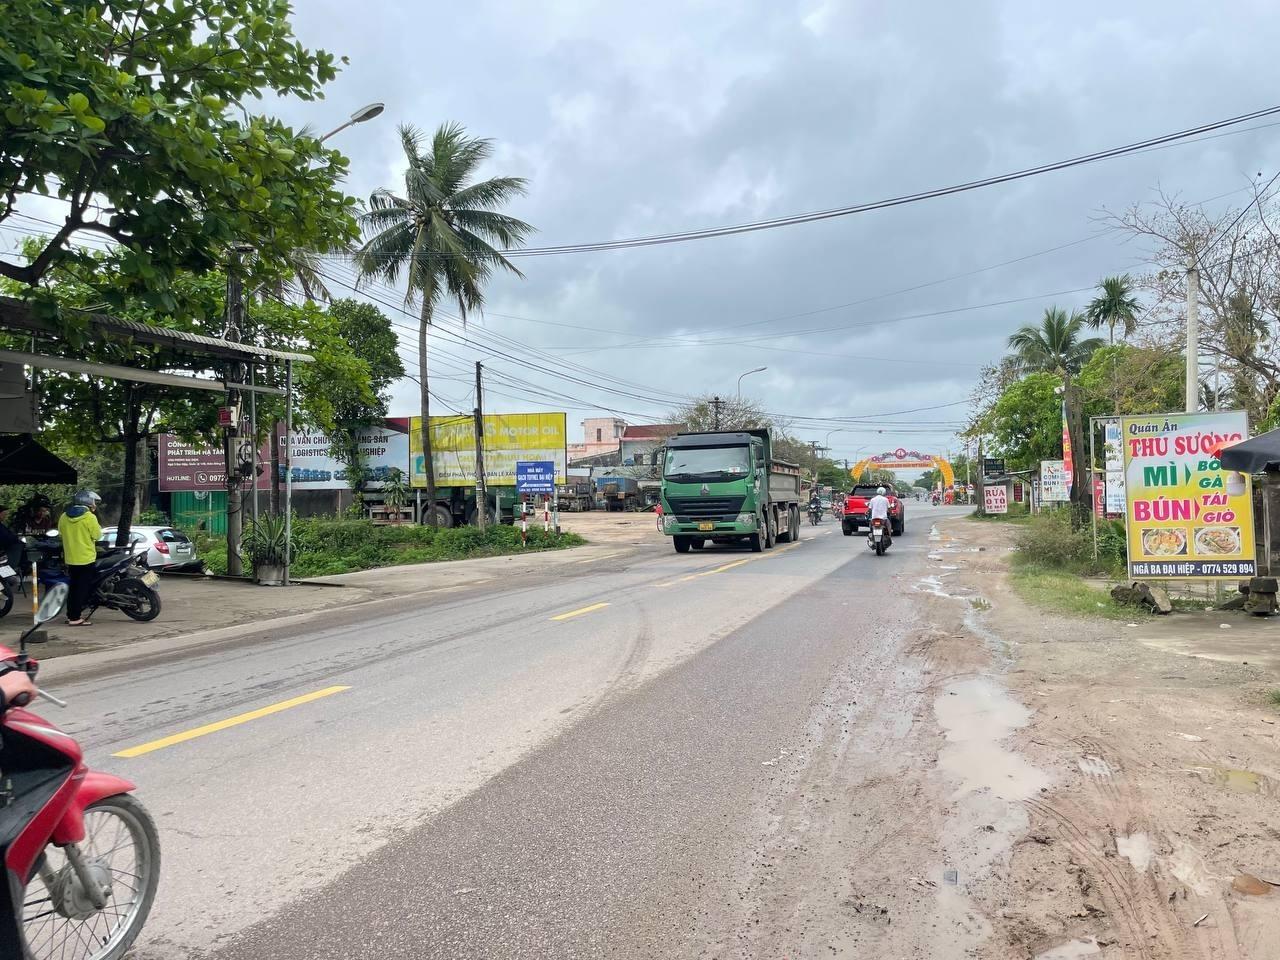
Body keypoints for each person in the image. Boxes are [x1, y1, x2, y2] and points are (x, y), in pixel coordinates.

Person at [57, 490, 102, 626]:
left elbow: (60, 533)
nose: (94, 504)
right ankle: (75, 618)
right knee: (82, 589)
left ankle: (71, 615)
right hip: (86, 558)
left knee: (74, 587)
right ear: (88, 502)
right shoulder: (89, 517)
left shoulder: (64, 516)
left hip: (71, 558)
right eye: (93, 501)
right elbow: (97, 535)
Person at [0, 505, 21, 570]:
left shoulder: (2, 526)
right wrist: (17, 538)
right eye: (4, 514)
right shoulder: (1, 527)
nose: (5, 516)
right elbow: (6, 537)